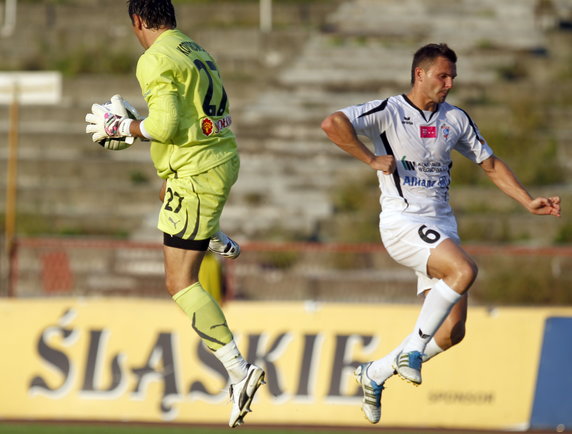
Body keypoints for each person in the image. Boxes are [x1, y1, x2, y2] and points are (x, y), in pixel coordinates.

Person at [321, 43, 561, 424]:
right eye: (442, 76)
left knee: (452, 332)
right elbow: (333, 123)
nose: (449, 84)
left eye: (453, 78)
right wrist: (369, 159)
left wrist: (527, 200)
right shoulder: (390, 111)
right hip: (402, 223)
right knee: (464, 271)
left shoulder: (455, 119)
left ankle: (376, 373)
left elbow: (491, 163)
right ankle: (410, 350)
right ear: (420, 74)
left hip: (441, 226)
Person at [84, 0, 264, 427]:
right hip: (216, 161)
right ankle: (212, 233)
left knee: (179, 282)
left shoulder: (153, 58)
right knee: (168, 190)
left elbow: (163, 126)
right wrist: (141, 124)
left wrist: (123, 128)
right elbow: (184, 119)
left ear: (138, 20)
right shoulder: (196, 49)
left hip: (198, 174)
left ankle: (239, 370)